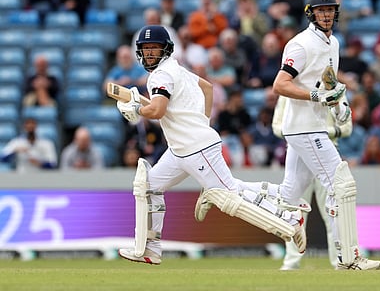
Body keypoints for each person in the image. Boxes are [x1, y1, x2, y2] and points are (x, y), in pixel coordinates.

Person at [115, 25, 306, 265]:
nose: (150, 53)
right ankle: (150, 249)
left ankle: (289, 218)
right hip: (180, 150)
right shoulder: (177, 69)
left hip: (197, 149)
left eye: (155, 48)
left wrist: (136, 109)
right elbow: (207, 88)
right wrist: (201, 122)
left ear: (166, 49)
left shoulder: (161, 75)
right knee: (149, 187)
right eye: (145, 49)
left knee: (228, 197)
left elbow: (158, 110)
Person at [271, 0, 380, 270]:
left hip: (311, 127)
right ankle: (349, 258)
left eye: (330, 10)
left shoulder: (333, 44)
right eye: (321, 10)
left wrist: (338, 105)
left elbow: (328, 82)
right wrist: (315, 97)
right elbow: (280, 85)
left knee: (288, 196)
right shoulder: (301, 44)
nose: (326, 14)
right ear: (311, 13)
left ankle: (228, 192)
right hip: (306, 128)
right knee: (341, 185)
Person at [273, 92, 353, 270]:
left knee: (333, 211)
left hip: (327, 154)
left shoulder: (333, 89)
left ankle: (341, 261)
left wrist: (320, 135)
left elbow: (347, 126)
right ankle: (291, 263)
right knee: (293, 212)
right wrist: (301, 134)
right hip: (298, 153)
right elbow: (276, 126)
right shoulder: (289, 91)